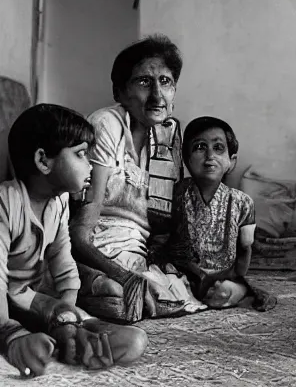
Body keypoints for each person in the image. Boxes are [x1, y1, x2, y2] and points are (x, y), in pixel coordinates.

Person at [0, 104, 147, 377]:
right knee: (19, 328)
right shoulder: (6, 201)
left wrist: (66, 319)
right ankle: (17, 341)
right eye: (81, 154)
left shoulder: (60, 201)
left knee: (134, 341)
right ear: (43, 161)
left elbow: (64, 264)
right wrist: (10, 332)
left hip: (31, 297)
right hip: (5, 297)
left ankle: (59, 341)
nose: (90, 165)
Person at [69, 35, 206, 323]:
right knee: (121, 295)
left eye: (166, 82)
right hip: (96, 247)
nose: (158, 95)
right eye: (144, 82)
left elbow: (162, 228)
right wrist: (125, 276)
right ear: (119, 92)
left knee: (188, 289)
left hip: (137, 252)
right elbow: (80, 233)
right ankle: (85, 283)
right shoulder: (106, 124)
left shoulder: (168, 137)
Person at [165, 117, 276, 311]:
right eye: (200, 147)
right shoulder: (175, 195)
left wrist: (236, 280)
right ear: (186, 159)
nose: (210, 156)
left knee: (225, 291)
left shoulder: (242, 203)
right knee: (164, 287)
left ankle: (229, 293)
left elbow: (245, 250)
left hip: (222, 277)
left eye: (218, 148)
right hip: (181, 276)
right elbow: (161, 241)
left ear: (231, 161)